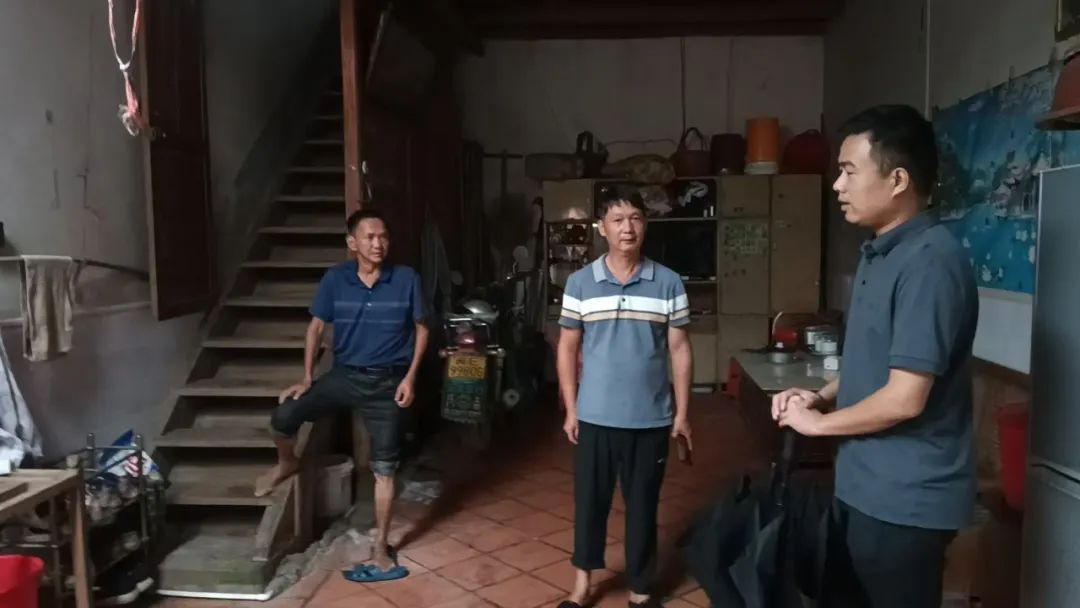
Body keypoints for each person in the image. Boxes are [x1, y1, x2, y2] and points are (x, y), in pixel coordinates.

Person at [771, 104, 979, 607]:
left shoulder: (930, 264)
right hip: (861, 487)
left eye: (849, 171)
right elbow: (873, 364)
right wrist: (820, 396)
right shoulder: (879, 253)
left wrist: (818, 426)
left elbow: (905, 398)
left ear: (898, 180)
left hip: (906, 501)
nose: (837, 185)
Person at [254, 208, 429, 578]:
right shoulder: (336, 279)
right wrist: (306, 377)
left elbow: (422, 329)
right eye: (369, 237)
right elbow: (316, 328)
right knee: (284, 415)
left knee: (385, 468)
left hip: (387, 384)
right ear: (352, 243)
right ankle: (287, 462)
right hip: (344, 376)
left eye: (383, 236)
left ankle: (380, 547)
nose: (378, 243)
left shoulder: (406, 278)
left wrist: (410, 378)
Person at [556, 186, 694, 608]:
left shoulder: (668, 282)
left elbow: (680, 349)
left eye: (635, 218)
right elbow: (567, 347)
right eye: (617, 220)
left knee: (643, 505)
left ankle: (641, 587)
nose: (627, 228)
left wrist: (682, 414)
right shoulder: (580, 283)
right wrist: (571, 409)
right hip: (595, 416)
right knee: (590, 504)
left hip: (650, 417)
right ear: (602, 228)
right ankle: (582, 585)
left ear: (645, 224)